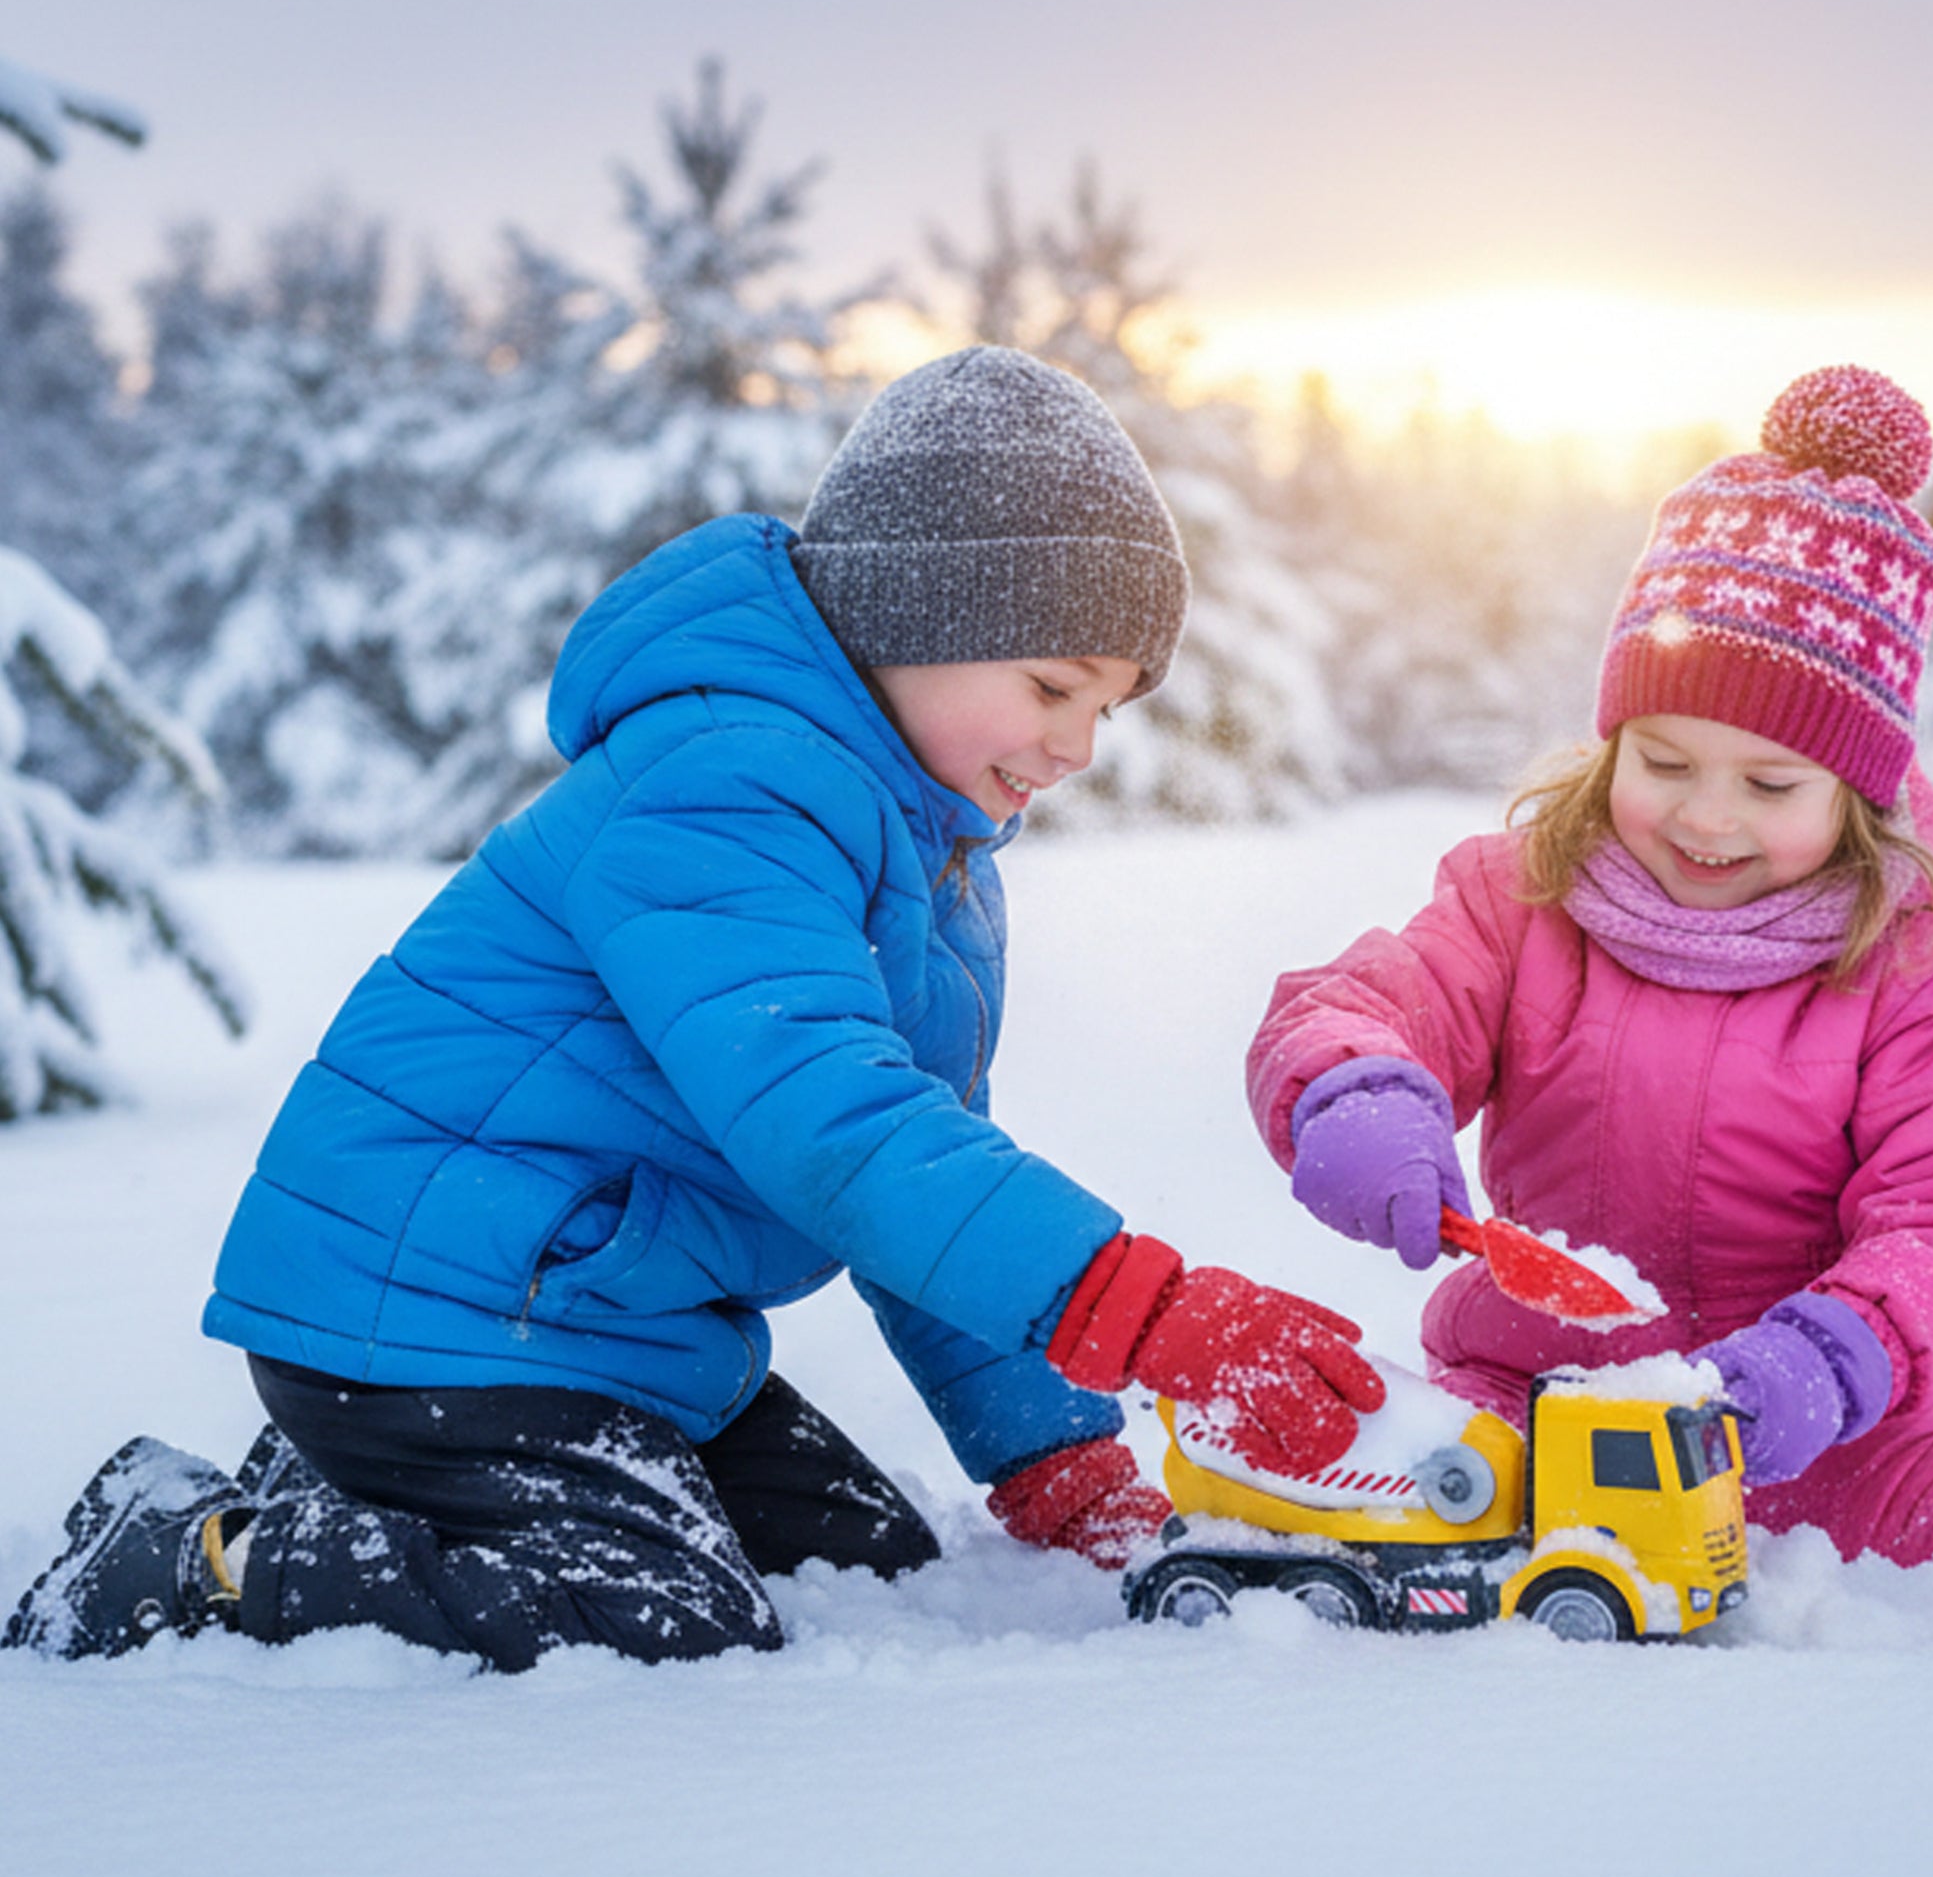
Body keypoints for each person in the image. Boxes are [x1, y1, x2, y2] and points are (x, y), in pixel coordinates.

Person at [6, 346, 1384, 1670]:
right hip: (441, 1314)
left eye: (1113, 707)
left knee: (869, 1566)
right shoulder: (729, 784)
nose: (1079, 748)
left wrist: (1058, 1457)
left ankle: (382, 1491)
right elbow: (835, 1129)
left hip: (603, 1330)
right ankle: (197, 1553)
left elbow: (915, 1183)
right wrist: (1130, 1307)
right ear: (922, 618)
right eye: (1051, 686)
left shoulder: (924, 848)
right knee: (662, 1613)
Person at [1247, 366, 1933, 1577]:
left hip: (1820, 1419)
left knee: (1923, 1543)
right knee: (1428, 1503)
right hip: (1535, 1384)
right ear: (1610, 746)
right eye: (1663, 759)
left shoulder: (1918, 976)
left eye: (1769, 785)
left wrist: (1840, 1351)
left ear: (1858, 794)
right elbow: (1367, 1001)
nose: (1708, 817)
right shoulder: (1518, 903)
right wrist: (1355, 1090)